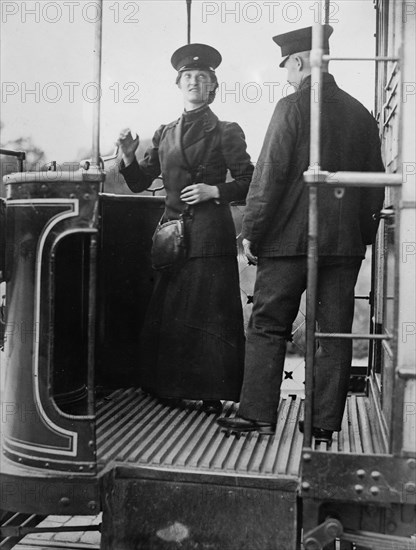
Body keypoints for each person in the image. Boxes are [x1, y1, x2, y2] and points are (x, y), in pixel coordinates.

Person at [217, 26, 384, 440]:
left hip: (289, 243)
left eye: (288, 69)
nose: (287, 78)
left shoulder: (291, 107)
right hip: (343, 246)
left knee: (269, 324)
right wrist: (359, 236)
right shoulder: (360, 112)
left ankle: (257, 415)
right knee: (333, 331)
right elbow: (376, 183)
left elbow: (269, 175)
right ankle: (324, 424)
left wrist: (251, 231)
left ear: (297, 61)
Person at [118, 43, 253, 415]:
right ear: (179, 85)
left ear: (213, 87)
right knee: (173, 310)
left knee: (212, 313)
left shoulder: (226, 130)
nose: (194, 82)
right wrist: (128, 157)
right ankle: (170, 387)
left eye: (202, 78)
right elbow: (139, 182)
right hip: (173, 235)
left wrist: (216, 190)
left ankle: (213, 391)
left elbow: (250, 180)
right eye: (188, 77)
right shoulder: (164, 133)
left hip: (210, 233)